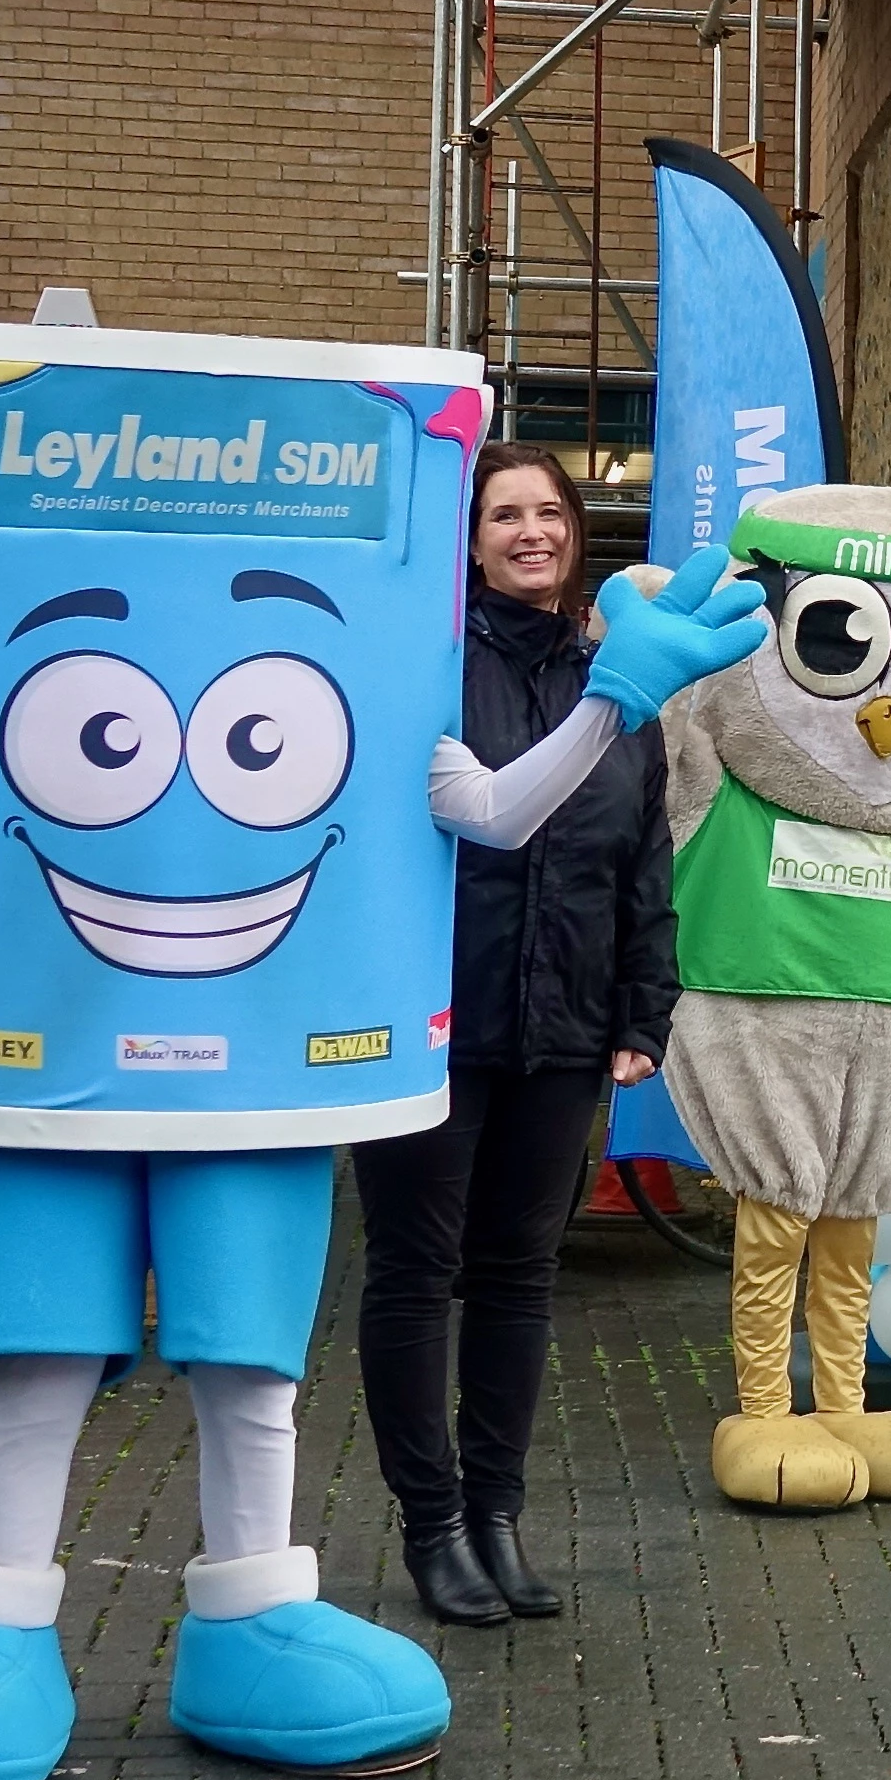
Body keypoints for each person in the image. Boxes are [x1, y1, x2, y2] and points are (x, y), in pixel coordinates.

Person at [351, 447, 676, 1625]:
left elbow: (647, 854)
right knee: (414, 1273)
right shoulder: (428, 669)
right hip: (434, 1025)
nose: (531, 532)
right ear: (471, 539)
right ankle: (430, 1523)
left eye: (549, 512)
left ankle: (497, 1513)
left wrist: (646, 1006)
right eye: (506, 516)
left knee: (517, 1278)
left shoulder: (618, 676)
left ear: (575, 533)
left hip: (566, 1024)